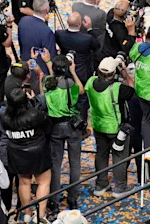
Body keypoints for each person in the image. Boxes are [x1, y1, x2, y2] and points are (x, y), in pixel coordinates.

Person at [87, 55, 135, 198]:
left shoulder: (90, 82)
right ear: (113, 73)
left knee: (101, 155)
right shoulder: (117, 88)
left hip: (98, 124)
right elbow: (132, 87)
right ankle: (120, 187)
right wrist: (124, 72)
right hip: (115, 127)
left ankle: (101, 184)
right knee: (119, 156)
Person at [2, 87, 51, 223]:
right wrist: (33, 103)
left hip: (17, 152)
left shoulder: (4, 116)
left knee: (24, 182)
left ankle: (27, 213)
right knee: (44, 182)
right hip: (37, 151)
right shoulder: (34, 114)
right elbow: (47, 125)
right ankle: (40, 216)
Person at [44, 55, 85, 213]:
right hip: (72, 126)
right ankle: (73, 199)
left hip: (55, 127)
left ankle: (54, 200)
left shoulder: (47, 82)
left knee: (56, 164)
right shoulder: (71, 84)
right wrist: (73, 72)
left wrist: (49, 64)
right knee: (75, 164)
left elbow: (46, 89)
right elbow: (81, 90)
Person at [55, 11, 99, 83]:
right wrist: (89, 29)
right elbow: (97, 45)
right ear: (80, 23)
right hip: (82, 72)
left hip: (65, 69)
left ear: (67, 22)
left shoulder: (59, 34)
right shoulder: (87, 38)